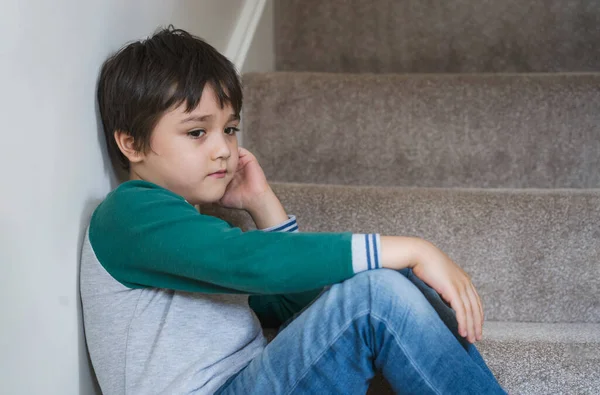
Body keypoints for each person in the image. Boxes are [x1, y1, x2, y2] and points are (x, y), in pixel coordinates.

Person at [81, 26, 507, 394]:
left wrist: (262, 205)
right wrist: (412, 249)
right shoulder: (129, 214)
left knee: (385, 282)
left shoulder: (189, 232)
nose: (224, 150)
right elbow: (248, 263)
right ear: (131, 143)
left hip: (254, 379)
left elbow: (294, 304)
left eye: (230, 129)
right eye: (197, 132)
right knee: (376, 294)